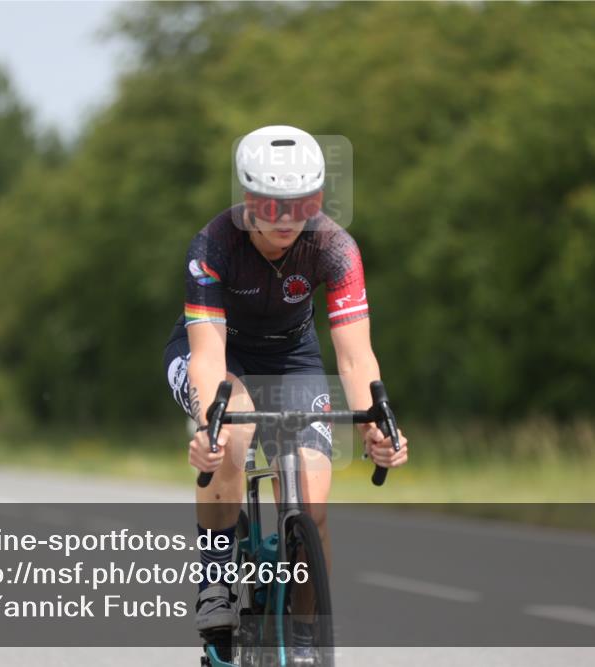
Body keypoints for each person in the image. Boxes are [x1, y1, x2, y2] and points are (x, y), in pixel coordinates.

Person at [162, 125, 408, 644]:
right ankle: (216, 579)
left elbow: (354, 353)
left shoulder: (336, 247)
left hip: (291, 357)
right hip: (216, 352)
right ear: (248, 200)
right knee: (234, 433)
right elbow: (207, 357)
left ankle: (303, 638)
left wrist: (373, 426)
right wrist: (212, 427)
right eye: (273, 206)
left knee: (312, 508)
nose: (288, 219)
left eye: (304, 203)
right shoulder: (213, 245)